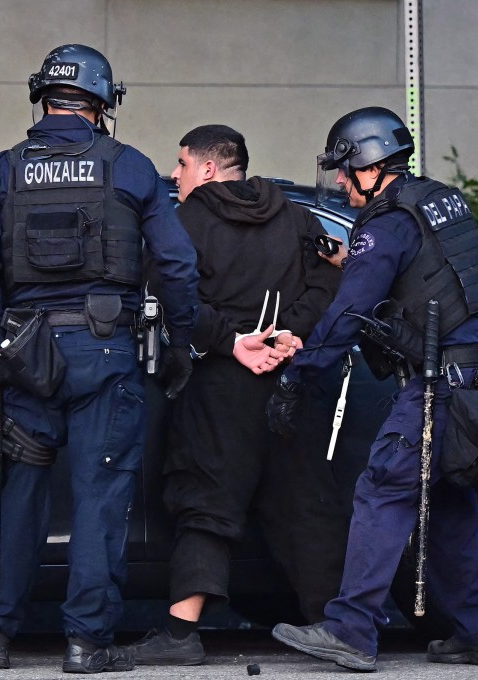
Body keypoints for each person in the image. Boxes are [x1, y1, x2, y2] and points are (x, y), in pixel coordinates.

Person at [0, 44, 199, 674]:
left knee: (16, 497)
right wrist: (182, 337)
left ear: (43, 97)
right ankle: (84, 643)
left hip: (25, 353)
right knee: (99, 497)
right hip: (104, 348)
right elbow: (175, 263)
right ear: (102, 104)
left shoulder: (3, 170)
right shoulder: (130, 167)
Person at [267, 106, 478, 671]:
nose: (343, 186)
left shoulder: (388, 222)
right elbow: (432, 278)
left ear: (370, 166)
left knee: (382, 490)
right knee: (445, 502)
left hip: (439, 384)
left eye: (344, 172)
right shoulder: (438, 202)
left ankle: (351, 630)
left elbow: (350, 311)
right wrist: (351, 258)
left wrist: (298, 376)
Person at [126, 125, 345, 666]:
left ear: (206, 169)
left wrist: (235, 343)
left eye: (180, 163)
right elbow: (330, 282)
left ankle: (181, 635)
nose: (173, 174)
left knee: (204, 502)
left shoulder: (184, 220)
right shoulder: (296, 216)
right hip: (293, 383)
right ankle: (334, 629)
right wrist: (288, 335)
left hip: (220, 385)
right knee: (306, 506)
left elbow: (168, 293)